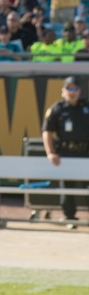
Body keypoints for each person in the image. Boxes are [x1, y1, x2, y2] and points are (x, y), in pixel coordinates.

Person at [42, 76, 89, 228]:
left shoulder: (86, 107)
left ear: (79, 90)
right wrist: (51, 153)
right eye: (69, 88)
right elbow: (47, 132)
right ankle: (69, 218)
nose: (72, 92)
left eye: (75, 88)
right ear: (63, 90)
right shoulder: (57, 109)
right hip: (67, 153)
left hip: (85, 152)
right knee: (68, 187)